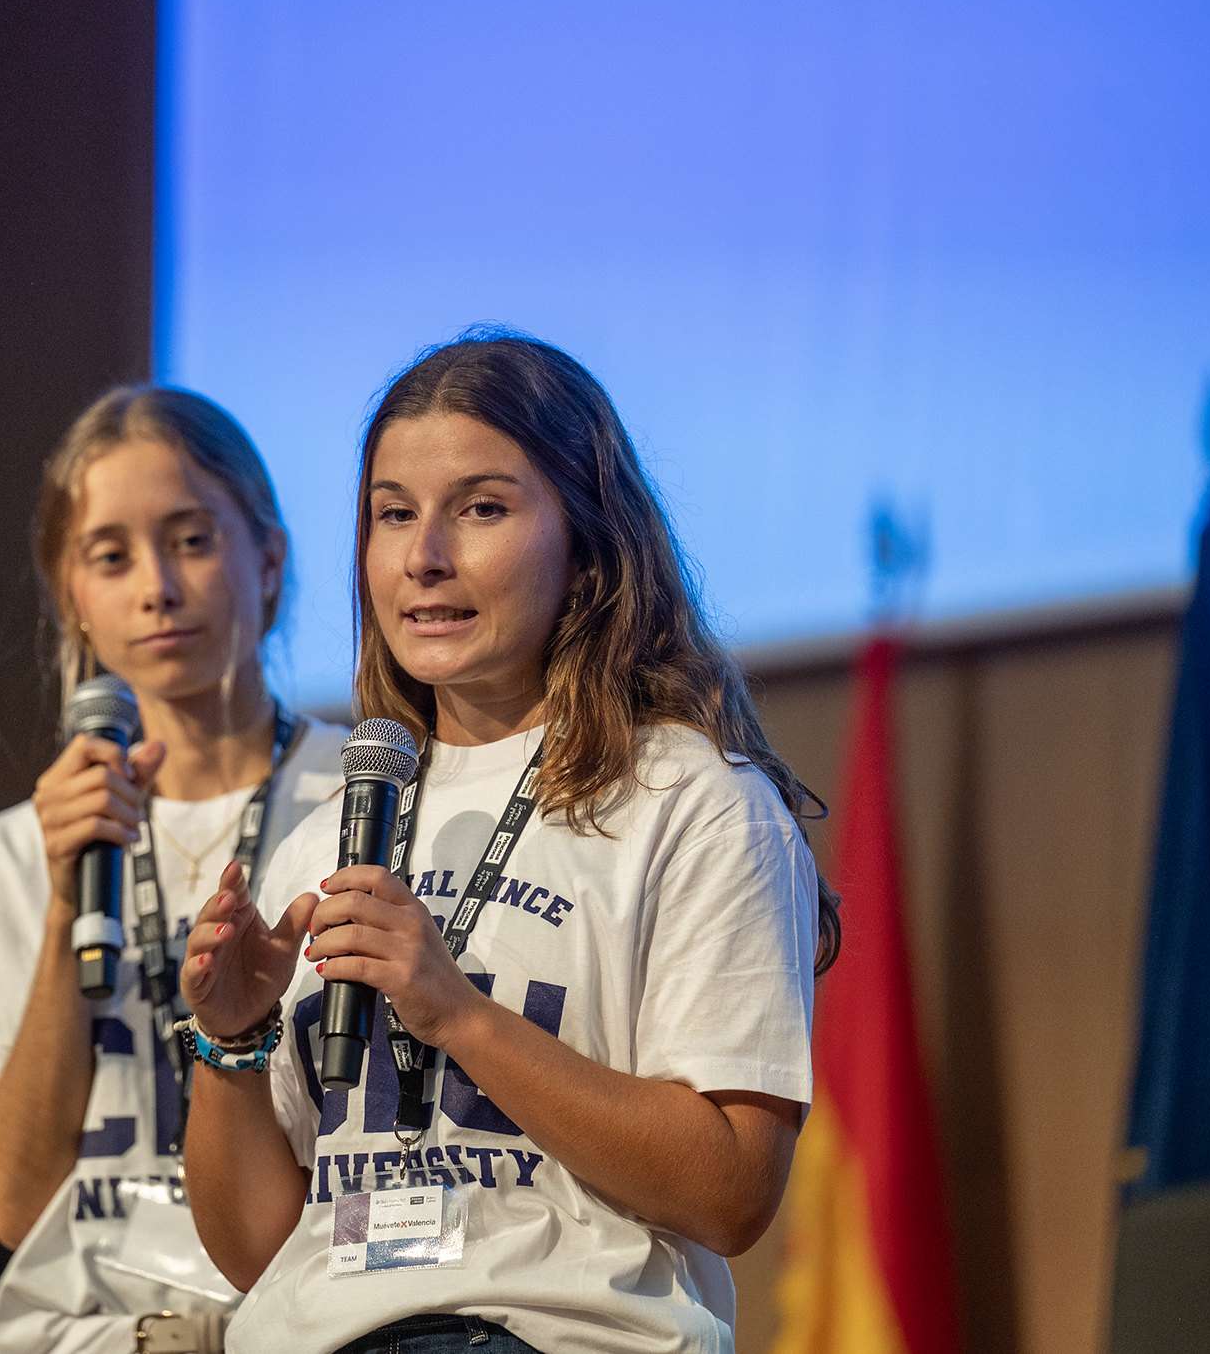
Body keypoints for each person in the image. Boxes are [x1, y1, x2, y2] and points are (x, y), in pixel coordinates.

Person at [176, 331, 841, 1353]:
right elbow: (267, 1248)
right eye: (392, 512)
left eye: (479, 508)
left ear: (587, 546)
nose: (423, 554)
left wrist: (457, 1012)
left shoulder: (689, 800)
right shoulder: (326, 833)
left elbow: (728, 1187)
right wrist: (229, 1041)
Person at [0, 386, 348, 1354]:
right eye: (111, 556)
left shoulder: (353, 805)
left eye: (191, 538)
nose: (156, 586)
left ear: (266, 558)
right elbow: (19, 1204)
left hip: (310, 1320)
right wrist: (69, 895)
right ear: (71, 592)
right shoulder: (6, 861)